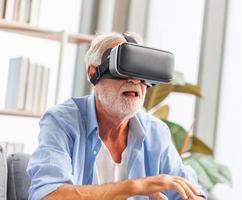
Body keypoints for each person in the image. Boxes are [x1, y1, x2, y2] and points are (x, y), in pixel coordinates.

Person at [27, 32, 206, 200]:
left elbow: (190, 192)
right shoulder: (62, 122)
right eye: (124, 70)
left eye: (141, 73)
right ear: (93, 73)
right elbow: (48, 195)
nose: (135, 81)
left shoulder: (155, 132)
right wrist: (137, 186)